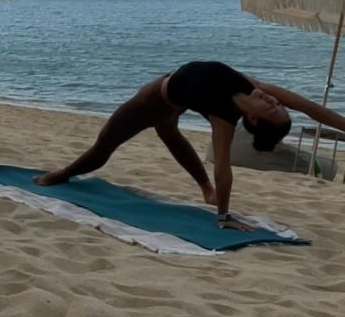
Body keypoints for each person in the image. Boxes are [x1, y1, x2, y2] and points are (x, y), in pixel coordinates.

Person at [32, 60, 345, 231]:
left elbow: (223, 166)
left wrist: (224, 216)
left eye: (273, 109)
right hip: (161, 102)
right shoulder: (256, 89)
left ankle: (61, 174)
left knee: (130, 141)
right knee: (128, 143)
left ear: (253, 120)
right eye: (279, 105)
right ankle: (204, 190)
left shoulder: (223, 117)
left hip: (157, 101)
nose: (274, 101)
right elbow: (313, 109)